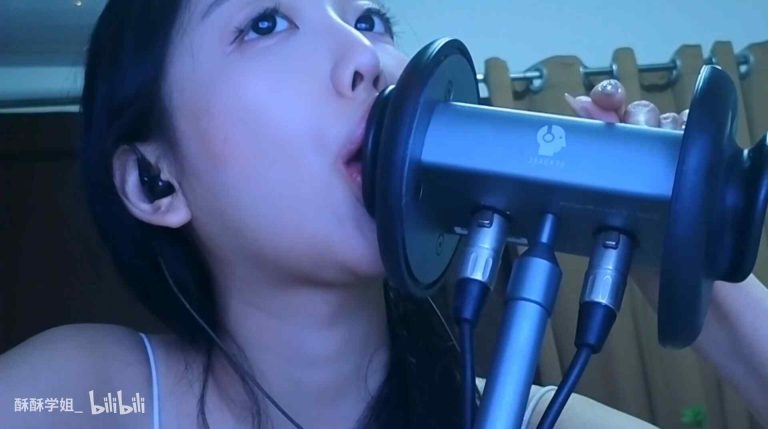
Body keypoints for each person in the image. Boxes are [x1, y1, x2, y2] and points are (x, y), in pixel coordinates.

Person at [1, 1, 767, 428]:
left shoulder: (535, 419)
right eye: (264, 22)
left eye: (367, 18)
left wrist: (690, 229)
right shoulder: (85, 395)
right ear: (153, 180)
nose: (366, 58)